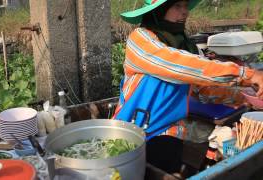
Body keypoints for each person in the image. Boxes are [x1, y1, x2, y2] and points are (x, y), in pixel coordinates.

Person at [112, 0, 263, 174]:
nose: (185, 12)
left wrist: (245, 99)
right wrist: (247, 75)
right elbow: (181, 65)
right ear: (159, 11)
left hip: (169, 133)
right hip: (133, 134)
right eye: (177, 6)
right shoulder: (140, 40)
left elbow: (202, 88)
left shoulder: (184, 45)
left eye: (185, 6)